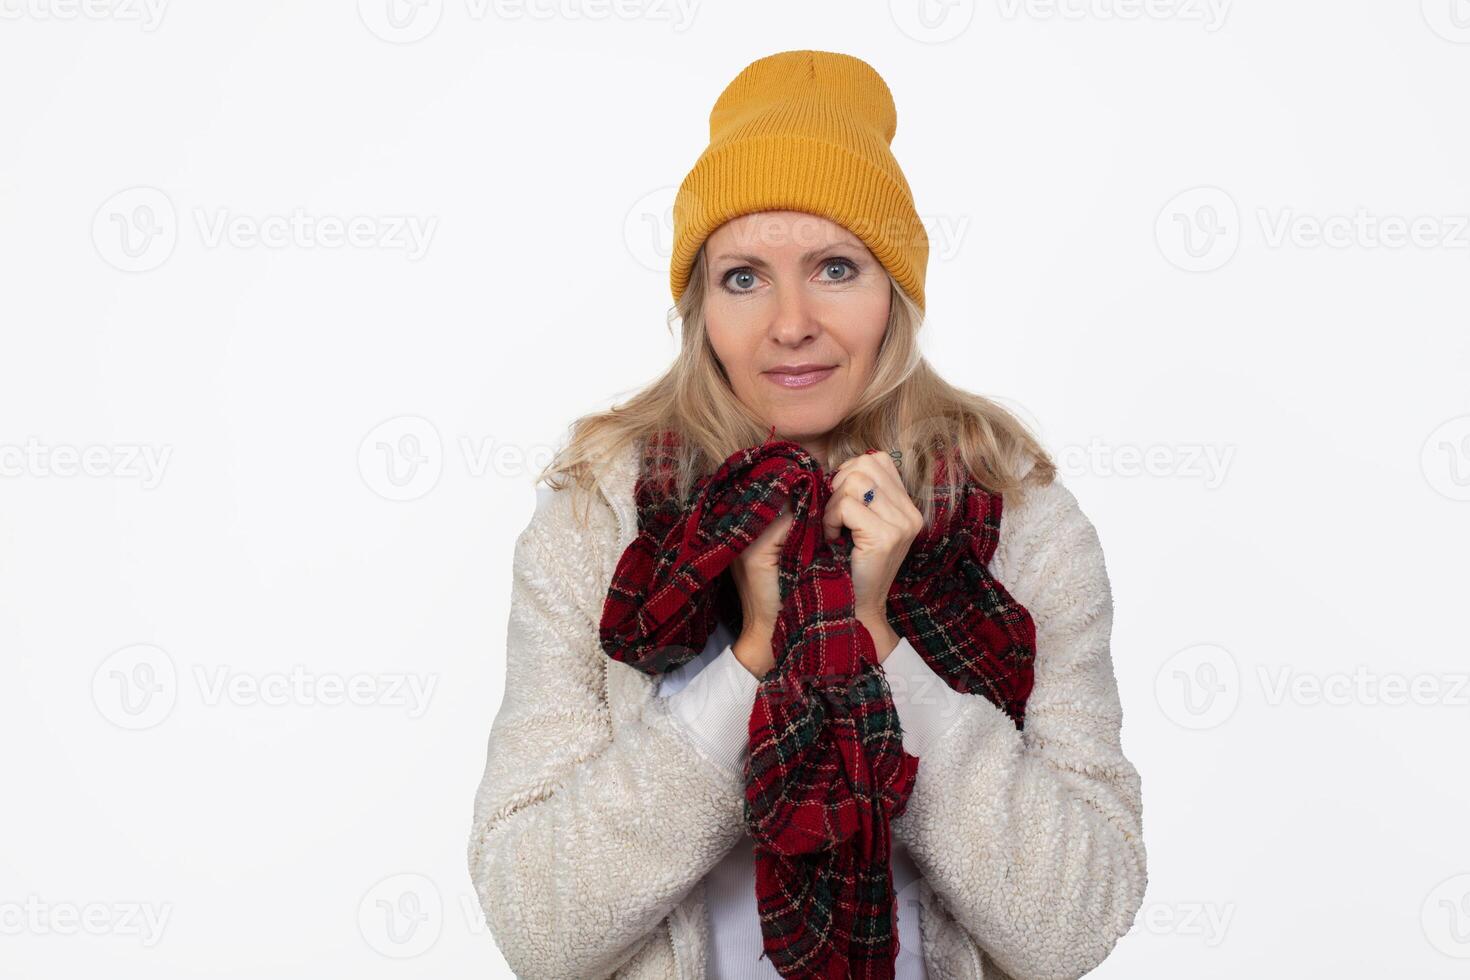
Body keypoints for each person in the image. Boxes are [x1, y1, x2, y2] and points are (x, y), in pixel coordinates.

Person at [467, 49, 1147, 979]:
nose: (791, 322)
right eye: (744, 276)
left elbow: (1078, 918)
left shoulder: (1019, 516)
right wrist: (753, 655)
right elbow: (535, 924)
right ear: (699, 303)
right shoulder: (599, 518)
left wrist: (871, 636)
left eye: (835, 268)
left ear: (895, 294)